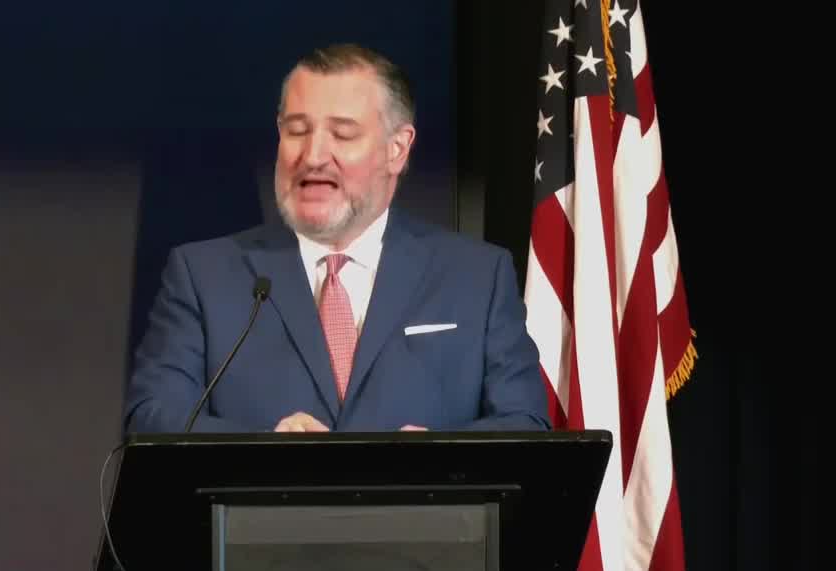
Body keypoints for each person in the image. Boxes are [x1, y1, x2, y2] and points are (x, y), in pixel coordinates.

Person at [124, 43, 549, 433]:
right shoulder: (203, 276)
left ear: (396, 149)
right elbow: (153, 417)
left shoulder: (476, 276)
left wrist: (439, 458)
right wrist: (266, 448)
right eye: (296, 130)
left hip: (425, 516)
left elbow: (525, 422)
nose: (311, 156)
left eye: (342, 135)